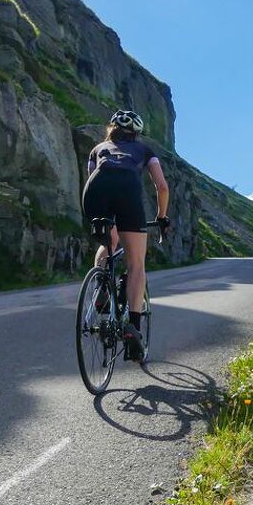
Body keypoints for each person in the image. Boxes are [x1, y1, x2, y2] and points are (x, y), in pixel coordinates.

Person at [81, 110, 169, 359]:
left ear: (112, 129)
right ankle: (133, 328)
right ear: (137, 133)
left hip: (95, 189)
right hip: (128, 190)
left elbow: (92, 176)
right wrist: (162, 216)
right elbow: (161, 186)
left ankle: (101, 291)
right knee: (136, 265)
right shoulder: (144, 151)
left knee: (109, 241)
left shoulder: (98, 148)